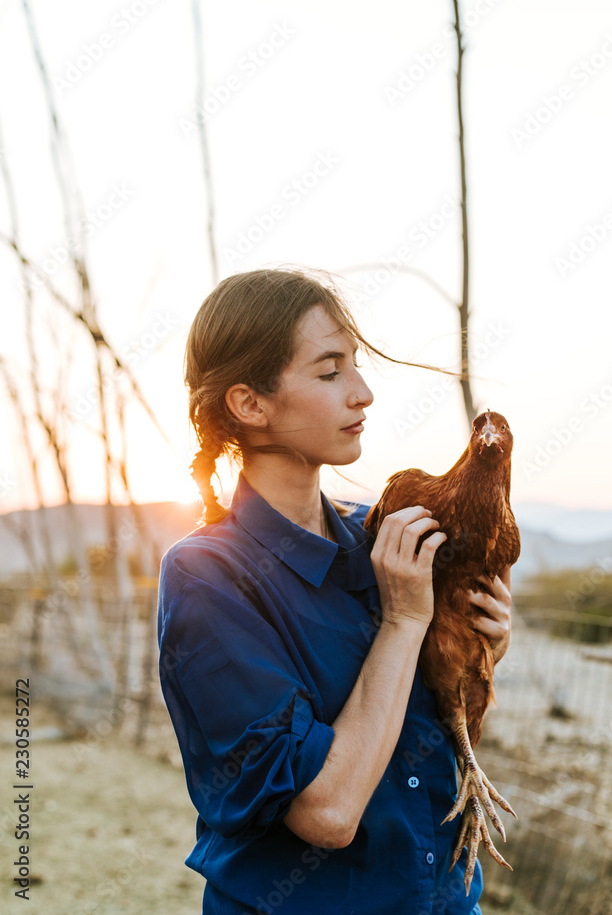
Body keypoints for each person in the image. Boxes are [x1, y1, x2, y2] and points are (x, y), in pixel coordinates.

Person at [157, 267, 512, 915]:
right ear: (250, 404)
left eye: (356, 365)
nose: (364, 393)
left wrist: (472, 649)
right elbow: (327, 812)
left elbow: (419, 739)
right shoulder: (209, 577)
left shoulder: (380, 537)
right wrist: (404, 622)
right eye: (330, 372)